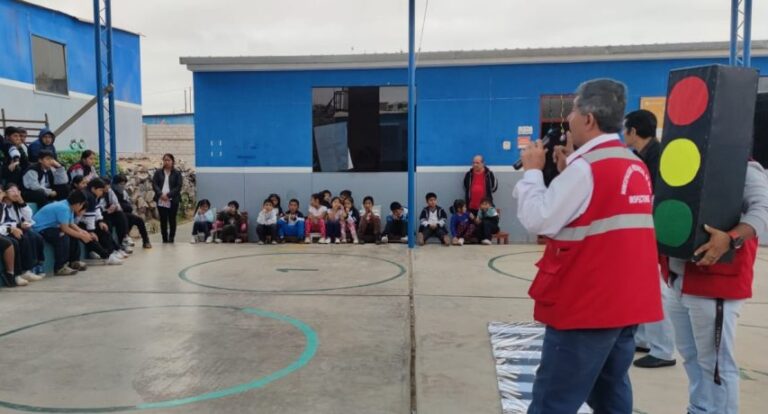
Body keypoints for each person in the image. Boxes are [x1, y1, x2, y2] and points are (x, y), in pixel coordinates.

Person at [513, 79, 662, 413]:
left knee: (554, 399)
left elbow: (538, 219)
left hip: (587, 307)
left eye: (572, 111)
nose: (567, 119)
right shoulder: (633, 163)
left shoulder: (586, 169)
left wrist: (534, 172)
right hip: (627, 305)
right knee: (610, 392)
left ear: (589, 119)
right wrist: (568, 173)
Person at [661, 160, 768, 414]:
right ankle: (700, 408)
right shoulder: (688, 161)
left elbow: (762, 211)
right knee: (692, 357)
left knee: (716, 364)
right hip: (679, 279)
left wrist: (730, 240)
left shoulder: (745, 168)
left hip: (714, 282)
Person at [624, 109, 677, 369]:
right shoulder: (643, 155)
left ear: (633, 131)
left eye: (626, 130)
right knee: (641, 285)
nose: (624, 135)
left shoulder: (658, 156)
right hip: (645, 229)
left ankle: (664, 349)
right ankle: (644, 338)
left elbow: (657, 197)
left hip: (656, 231)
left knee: (656, 288)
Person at [32, 190, 92, 276]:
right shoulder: (64, 208)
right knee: (63, 236)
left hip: (51, 227)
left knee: (73, 234)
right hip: (41, 228)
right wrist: (81, 236)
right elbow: (65, 228)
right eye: (82, 204)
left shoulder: (69, 207)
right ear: (78, 204)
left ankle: (74, 261)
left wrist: (83, 232)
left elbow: (71, 224)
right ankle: (60, 267)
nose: (81, 207)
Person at [3, 184, 45, 281]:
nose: (16, 194)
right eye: (12, 191)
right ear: (5, 193)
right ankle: (26, 270)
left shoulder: (17, 204)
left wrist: (21, 201)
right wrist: (17, 226)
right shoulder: (3, 205)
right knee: (24, 238)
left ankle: (38, 264)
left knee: (37, 237)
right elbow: (5, 222)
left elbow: (29, 217)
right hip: (7, 230)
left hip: (18, 228)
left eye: (17, 191)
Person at [79, 178, 125, 265]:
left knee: (103, 228)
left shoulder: (93, 196)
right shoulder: (88, 196)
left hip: (85, 222)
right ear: (93, 189)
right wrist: (91, 231)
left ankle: (111, 252)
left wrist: (100, 221)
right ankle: (106, 256)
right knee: (90, 237)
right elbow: (89, 216)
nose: (102, 193)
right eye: (100, 190)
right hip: (78, 223)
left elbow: (96, 210)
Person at [111, 175, 152, 249]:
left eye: (124, 184)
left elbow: (128, 202)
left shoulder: (123, 192)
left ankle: (146, 241)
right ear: (115, 184)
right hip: (116, 214)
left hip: (126, 213)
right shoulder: (111, 192)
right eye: (120, 184)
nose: (122, 186)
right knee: (125, 219)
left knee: (139, 220)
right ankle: (123, 242)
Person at [152, 153, 183, 243]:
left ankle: (171, 237)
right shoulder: (158, 172)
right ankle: (164, 238)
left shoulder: (177, 173)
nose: (167, 162)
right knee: (163, 219)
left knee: (172, 219)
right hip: (161, 199)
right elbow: (154, 184)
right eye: (165, 160)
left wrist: (168, 195)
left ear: (172, 161)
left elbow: (178, 186)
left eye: (169, 160)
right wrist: (160, 194)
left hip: (173, 199)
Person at [99, 176, 133, 254]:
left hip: (110, 213)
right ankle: (110, 248)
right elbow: (96, 210)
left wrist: (115, 207)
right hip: (101, 216)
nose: (108, 187)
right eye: (106, 186)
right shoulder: (96, 195)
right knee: (108, 225)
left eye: (108, 185)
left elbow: (117, 204)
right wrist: (106, 210)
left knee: (121, 215)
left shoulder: (109, 191)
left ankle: (123, 240)